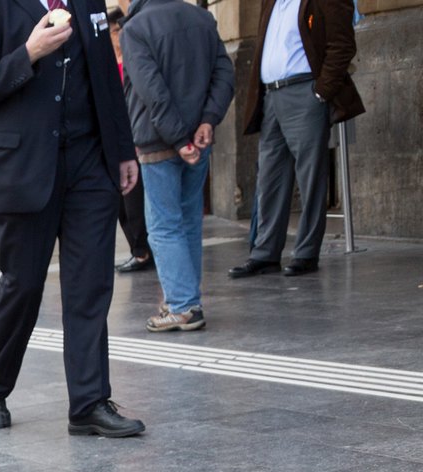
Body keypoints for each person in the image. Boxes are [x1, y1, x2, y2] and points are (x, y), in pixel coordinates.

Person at [0, 0, 146, 438]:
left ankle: (89, 402)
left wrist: (122, 150)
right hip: (21, 167)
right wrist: (29, 52)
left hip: (88, 164)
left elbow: (105, 76)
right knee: (22, 285)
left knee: (89, 285)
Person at [227, 0, 363, 278]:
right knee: (270, 177)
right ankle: (265, 254)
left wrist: (321, 93)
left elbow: (342, 45)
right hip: (271, 96)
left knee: (310, 177)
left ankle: (306, 252)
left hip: (305, 93)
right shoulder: (270, 2)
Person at [123, 0, 235, 330]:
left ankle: (183, 304)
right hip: (197, 138)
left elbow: (151, 90)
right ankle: (187, 300)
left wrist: (178, 139)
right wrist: (207, 122)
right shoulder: (201, 18)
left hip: (160, 142)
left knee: (163, 226)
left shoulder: (135, 28)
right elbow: (224, 74)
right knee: (188, 222)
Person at [106, 10, 155, 276]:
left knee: (133, 199)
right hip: (111, 140)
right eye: (114, 30)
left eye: (120, 30)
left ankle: (143, 251)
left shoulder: (134, 60)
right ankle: (138, 248)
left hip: (134, 137)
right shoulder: (105, 63)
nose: (118, 36)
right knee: (119, 202)